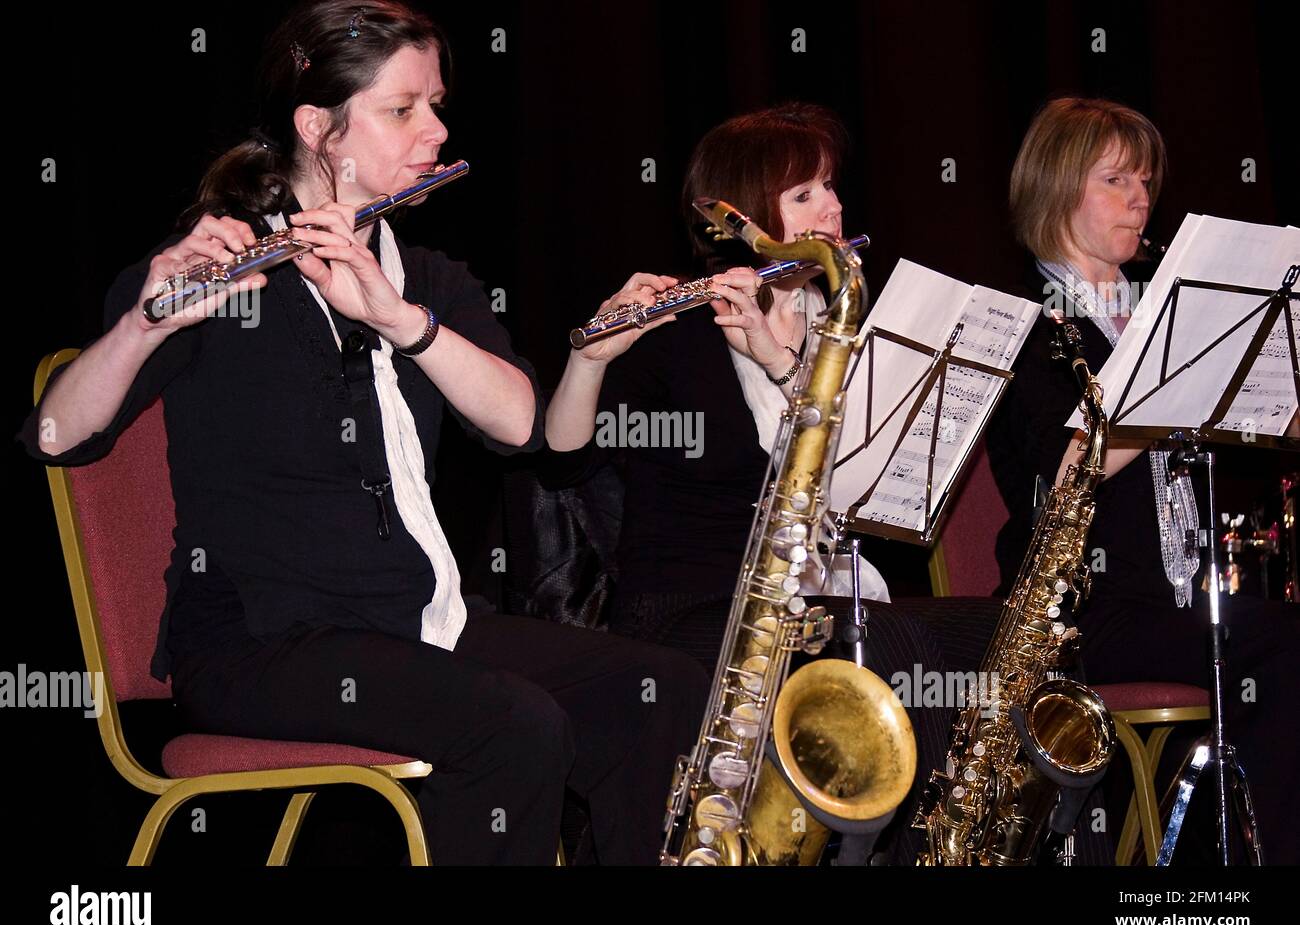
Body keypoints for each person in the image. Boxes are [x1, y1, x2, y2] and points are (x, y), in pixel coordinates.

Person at [19, 0, 708, 866]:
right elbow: (56, 434)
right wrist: (143, 328)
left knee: (659, 691)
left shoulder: (428, 281)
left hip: (415, 626)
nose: (437, 127)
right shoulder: (222, 271)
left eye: (436, 104)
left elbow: (521, 424)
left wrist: (399, 319)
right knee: (513, 727)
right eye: (403, 108)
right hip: (258, 643)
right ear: (320, 129)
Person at [541, 104, 959, 864]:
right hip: (695, 606)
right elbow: (564, 457)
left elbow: (868, 480)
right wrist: (591, 358)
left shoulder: (846, 318)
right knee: (891, 643)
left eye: (830, 185)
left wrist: (784, 359)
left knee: (979, 638)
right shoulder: (682, 330)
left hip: (823, 592)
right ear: (742, 218)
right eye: (804, 194)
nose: (831, 206)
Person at [987, 96, 1300, 863]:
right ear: (1059, 190)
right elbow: (1063, 472)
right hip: (1087, 611)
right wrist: (1170, 378)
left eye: (1145, 182)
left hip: (1174, 599)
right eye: (1116, 180)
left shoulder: (1153, 308)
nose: (1140, 199)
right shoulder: (1029, 322)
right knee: (1287, 648)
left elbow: (1266, 428)